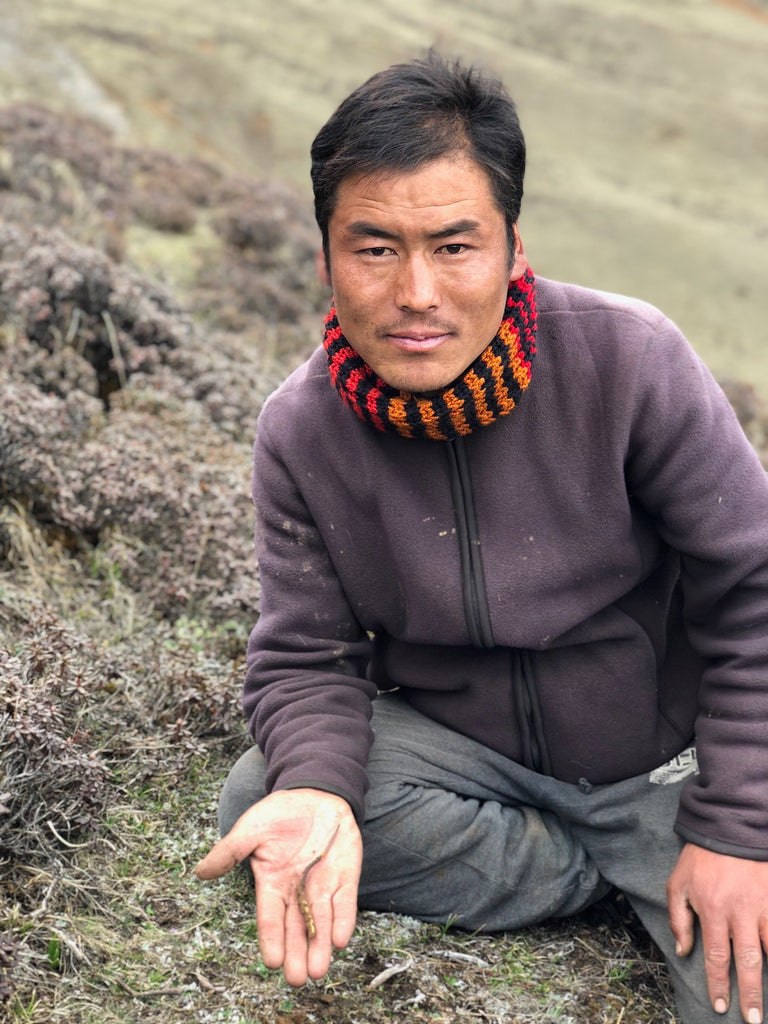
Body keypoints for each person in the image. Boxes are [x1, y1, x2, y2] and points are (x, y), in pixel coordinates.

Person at [195, 52, 768, 1023]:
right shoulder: (302, 429)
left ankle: (654, 853)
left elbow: (754, 591)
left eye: (455, 246)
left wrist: (741, 828)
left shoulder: (630, 360)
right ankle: (593, 873)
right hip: (467, 748)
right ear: (326, 250)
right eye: (374, 248)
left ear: (510, 243)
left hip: (669, 756)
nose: (417, 291)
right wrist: (322, 790)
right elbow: (305, 655)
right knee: (267, 801)